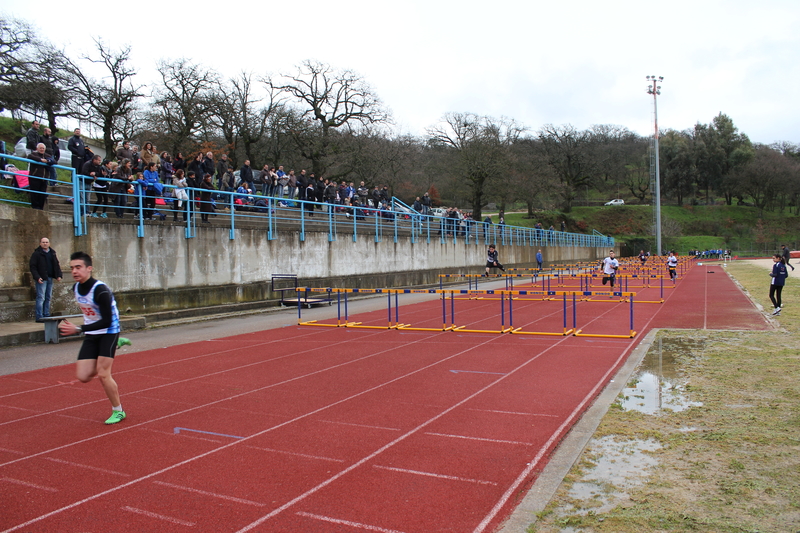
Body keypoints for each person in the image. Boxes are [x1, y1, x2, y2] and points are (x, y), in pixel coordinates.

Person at [59, 252, 125, 425]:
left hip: (109, 331)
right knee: (83, 376)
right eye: (72, 268)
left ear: (89, 268)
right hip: (92, 333)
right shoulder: (76, 288)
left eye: (78, 267)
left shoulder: (101, 290)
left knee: (104, 374)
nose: (74, 271)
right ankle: (113, 349)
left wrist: (79, 328)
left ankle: (118, 411)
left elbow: (106, 320)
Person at [29, 237, 63, 322]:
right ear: (40, 243)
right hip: (42, 278)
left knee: (48, 297)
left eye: (46, 242)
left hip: (50, 278)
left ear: (49, 243)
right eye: (43, 242)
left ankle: (46, 314)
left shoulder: (52, 253)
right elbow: (33, 267)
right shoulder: (36, 254)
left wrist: (59, 275)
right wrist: (37, 277)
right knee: (41, 297)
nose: (45, 244)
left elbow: (56, 264)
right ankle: (39, 316)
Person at [27, 143, 53, 210]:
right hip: (35, 177)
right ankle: (35, 207)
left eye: (43, 148)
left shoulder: (47, 155)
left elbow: (54, 161)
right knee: (34, 193)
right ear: (37, 148)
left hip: (44, 178)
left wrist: (48, 161)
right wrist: (40, 160)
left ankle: (41, 208)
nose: (42, 149)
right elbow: (29, 156)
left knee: (42, 194)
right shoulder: (34, 154)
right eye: (40, 148)